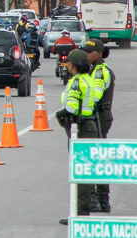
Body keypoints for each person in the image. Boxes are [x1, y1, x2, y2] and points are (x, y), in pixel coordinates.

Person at [56, 48, 100, 226]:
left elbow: (71, 107)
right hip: (88, 125)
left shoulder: (76, 81)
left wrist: (59, 114)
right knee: (84, 171)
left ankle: (80, 214)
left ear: (71, 64)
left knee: (79, 172)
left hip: (79, 128)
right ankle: (81, 212)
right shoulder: (88, 79)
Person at [82, 39, 115, 213]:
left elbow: (95, 95)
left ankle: (95, 199)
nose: (86, 55)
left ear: (99, 54)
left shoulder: (100, 71)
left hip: (99, 116)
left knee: (93, 157)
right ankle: (102, 200)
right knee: (98, 157)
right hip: (98, 116)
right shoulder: (93, 69)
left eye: (89, 52)